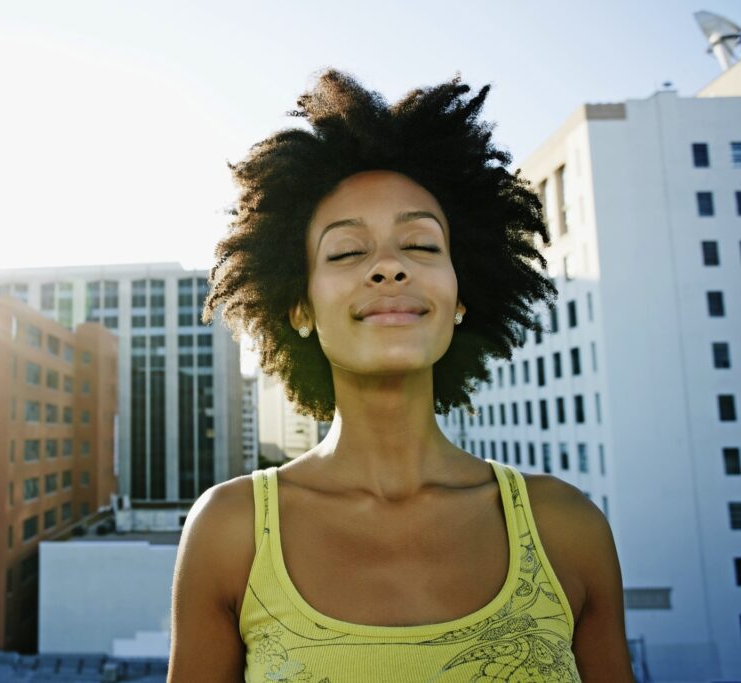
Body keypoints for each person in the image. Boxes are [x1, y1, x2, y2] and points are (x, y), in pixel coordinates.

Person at [168, 70, 633, 682]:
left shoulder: (566, 527)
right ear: (300, 307)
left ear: (461, 296)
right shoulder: (231, 532)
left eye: (420, 245)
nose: (388, 267)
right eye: (345, 252)